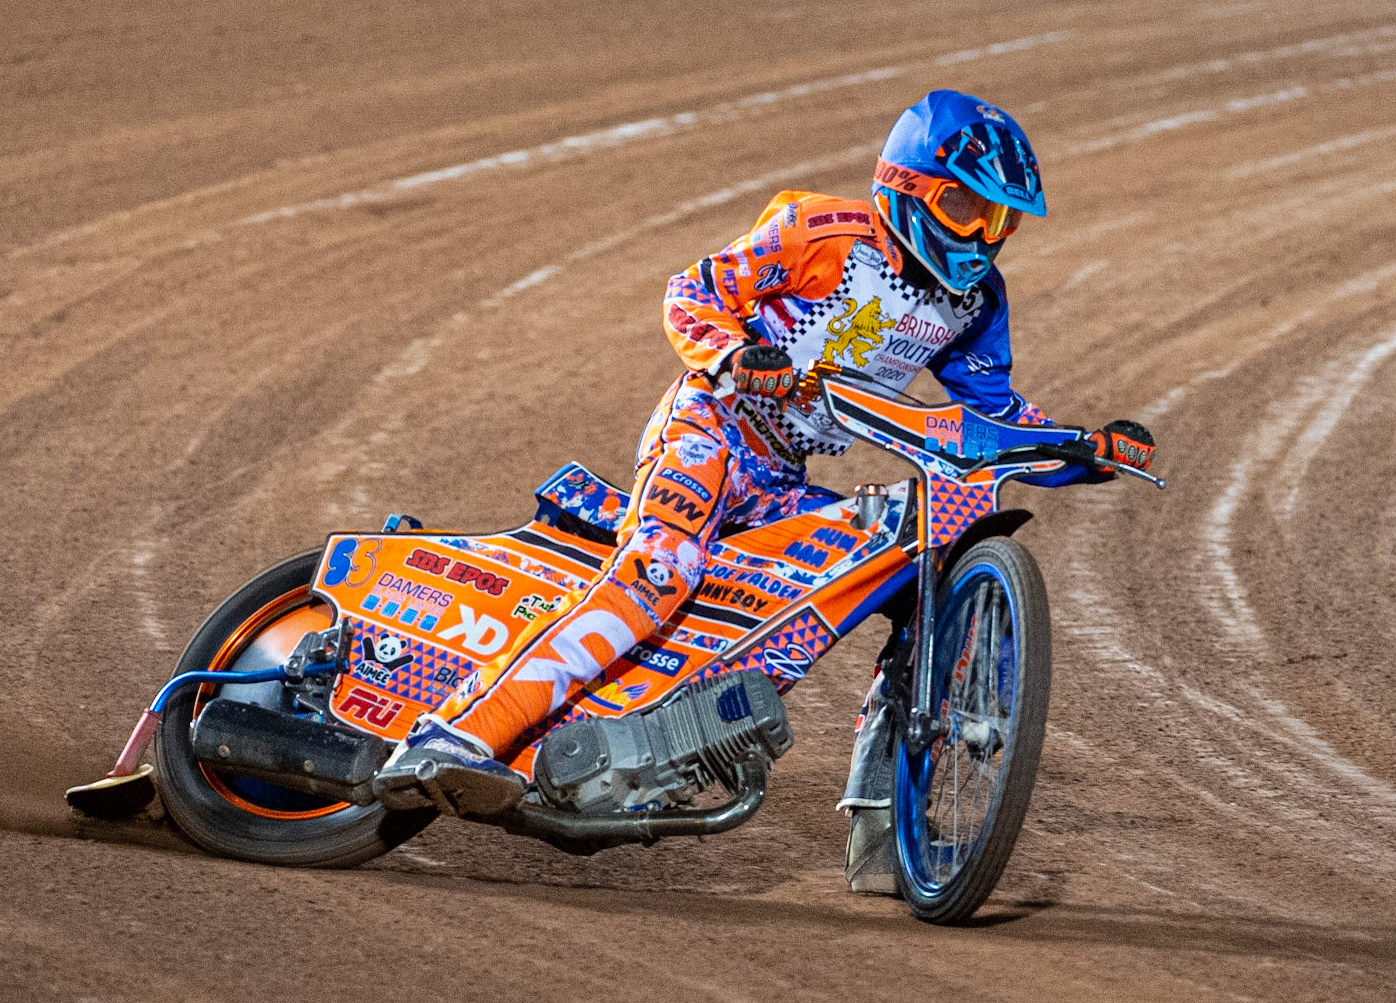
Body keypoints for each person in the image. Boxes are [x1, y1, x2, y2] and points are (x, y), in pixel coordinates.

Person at [373, 90, 1157, 878]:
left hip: (781, 477)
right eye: (966, 208)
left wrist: (1084, 449)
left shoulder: (977, 303)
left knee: (907, 574)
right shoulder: (818, 232)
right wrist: (733, 354)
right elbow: (691, 293)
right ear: (907, 187)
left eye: (1002, 221)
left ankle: (883, 828)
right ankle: (457, 735)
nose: (985, 239)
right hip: (709, 428)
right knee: (662, 570)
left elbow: (994, 416)